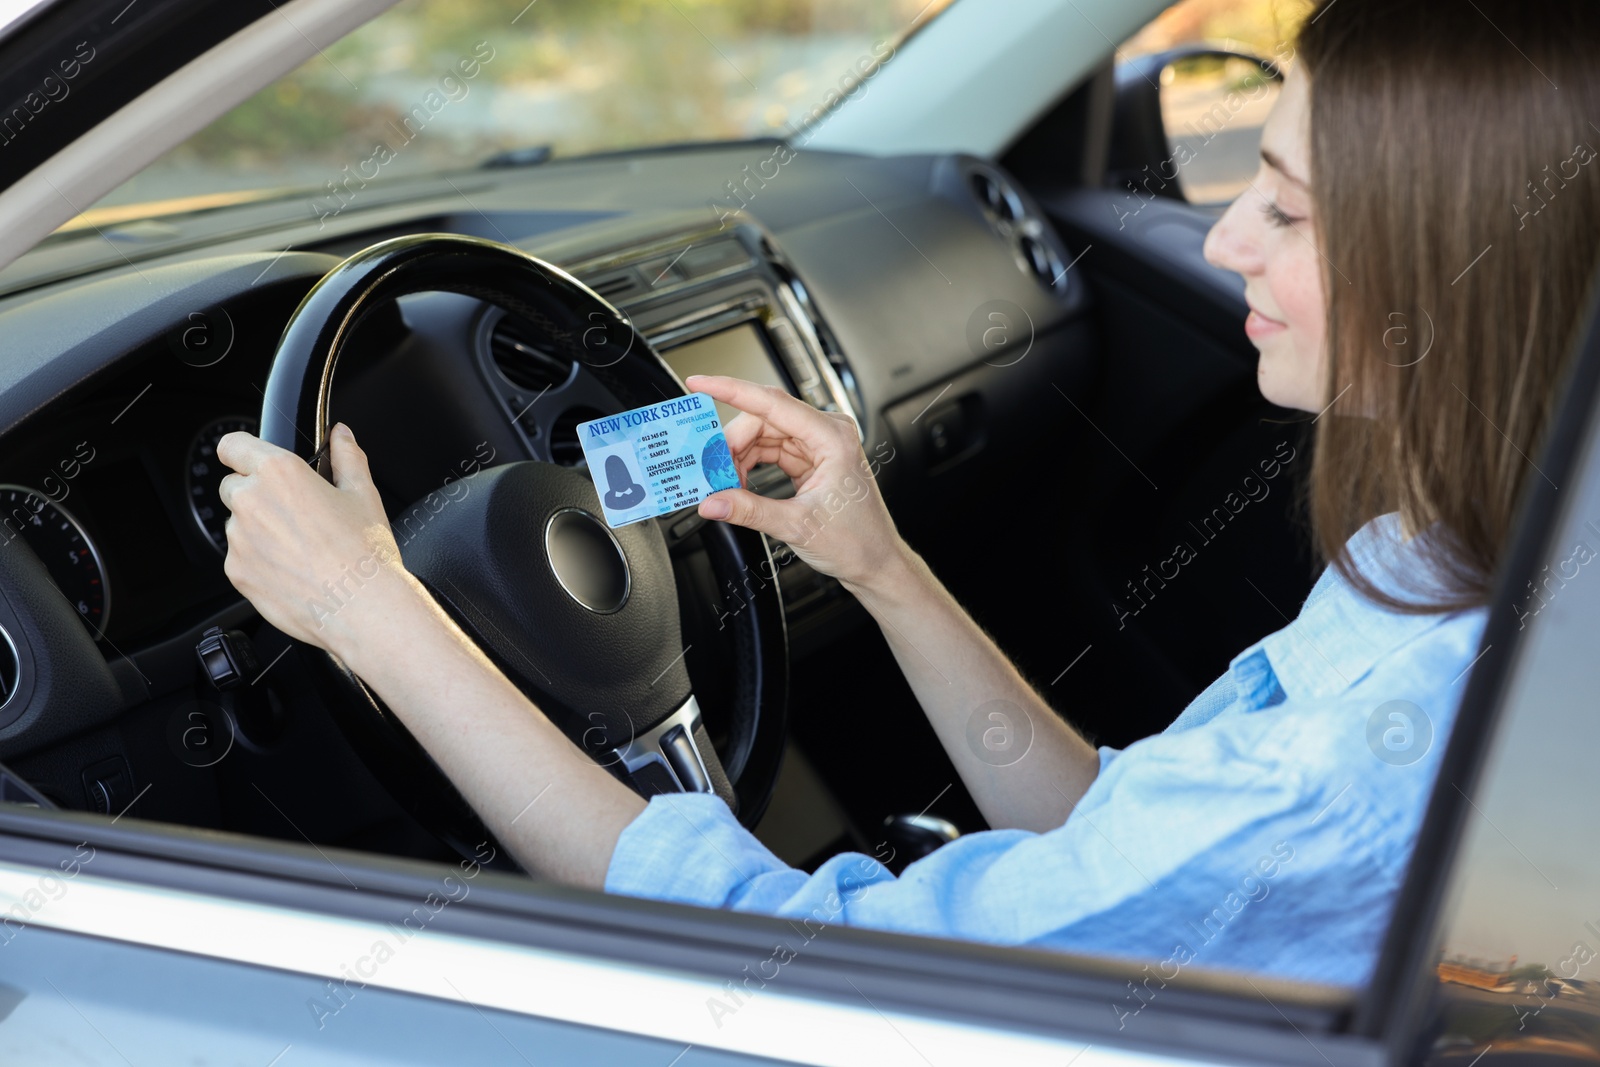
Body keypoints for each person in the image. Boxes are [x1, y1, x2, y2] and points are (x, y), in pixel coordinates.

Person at [216, 0, 1600, 988]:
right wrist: (879, 567)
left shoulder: (1353, 774)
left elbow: (768, 961)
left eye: (1288, 211)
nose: (1227, 233)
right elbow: (1124, 854)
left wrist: (371, 611)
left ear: (1468, 277)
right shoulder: (1443, 564)